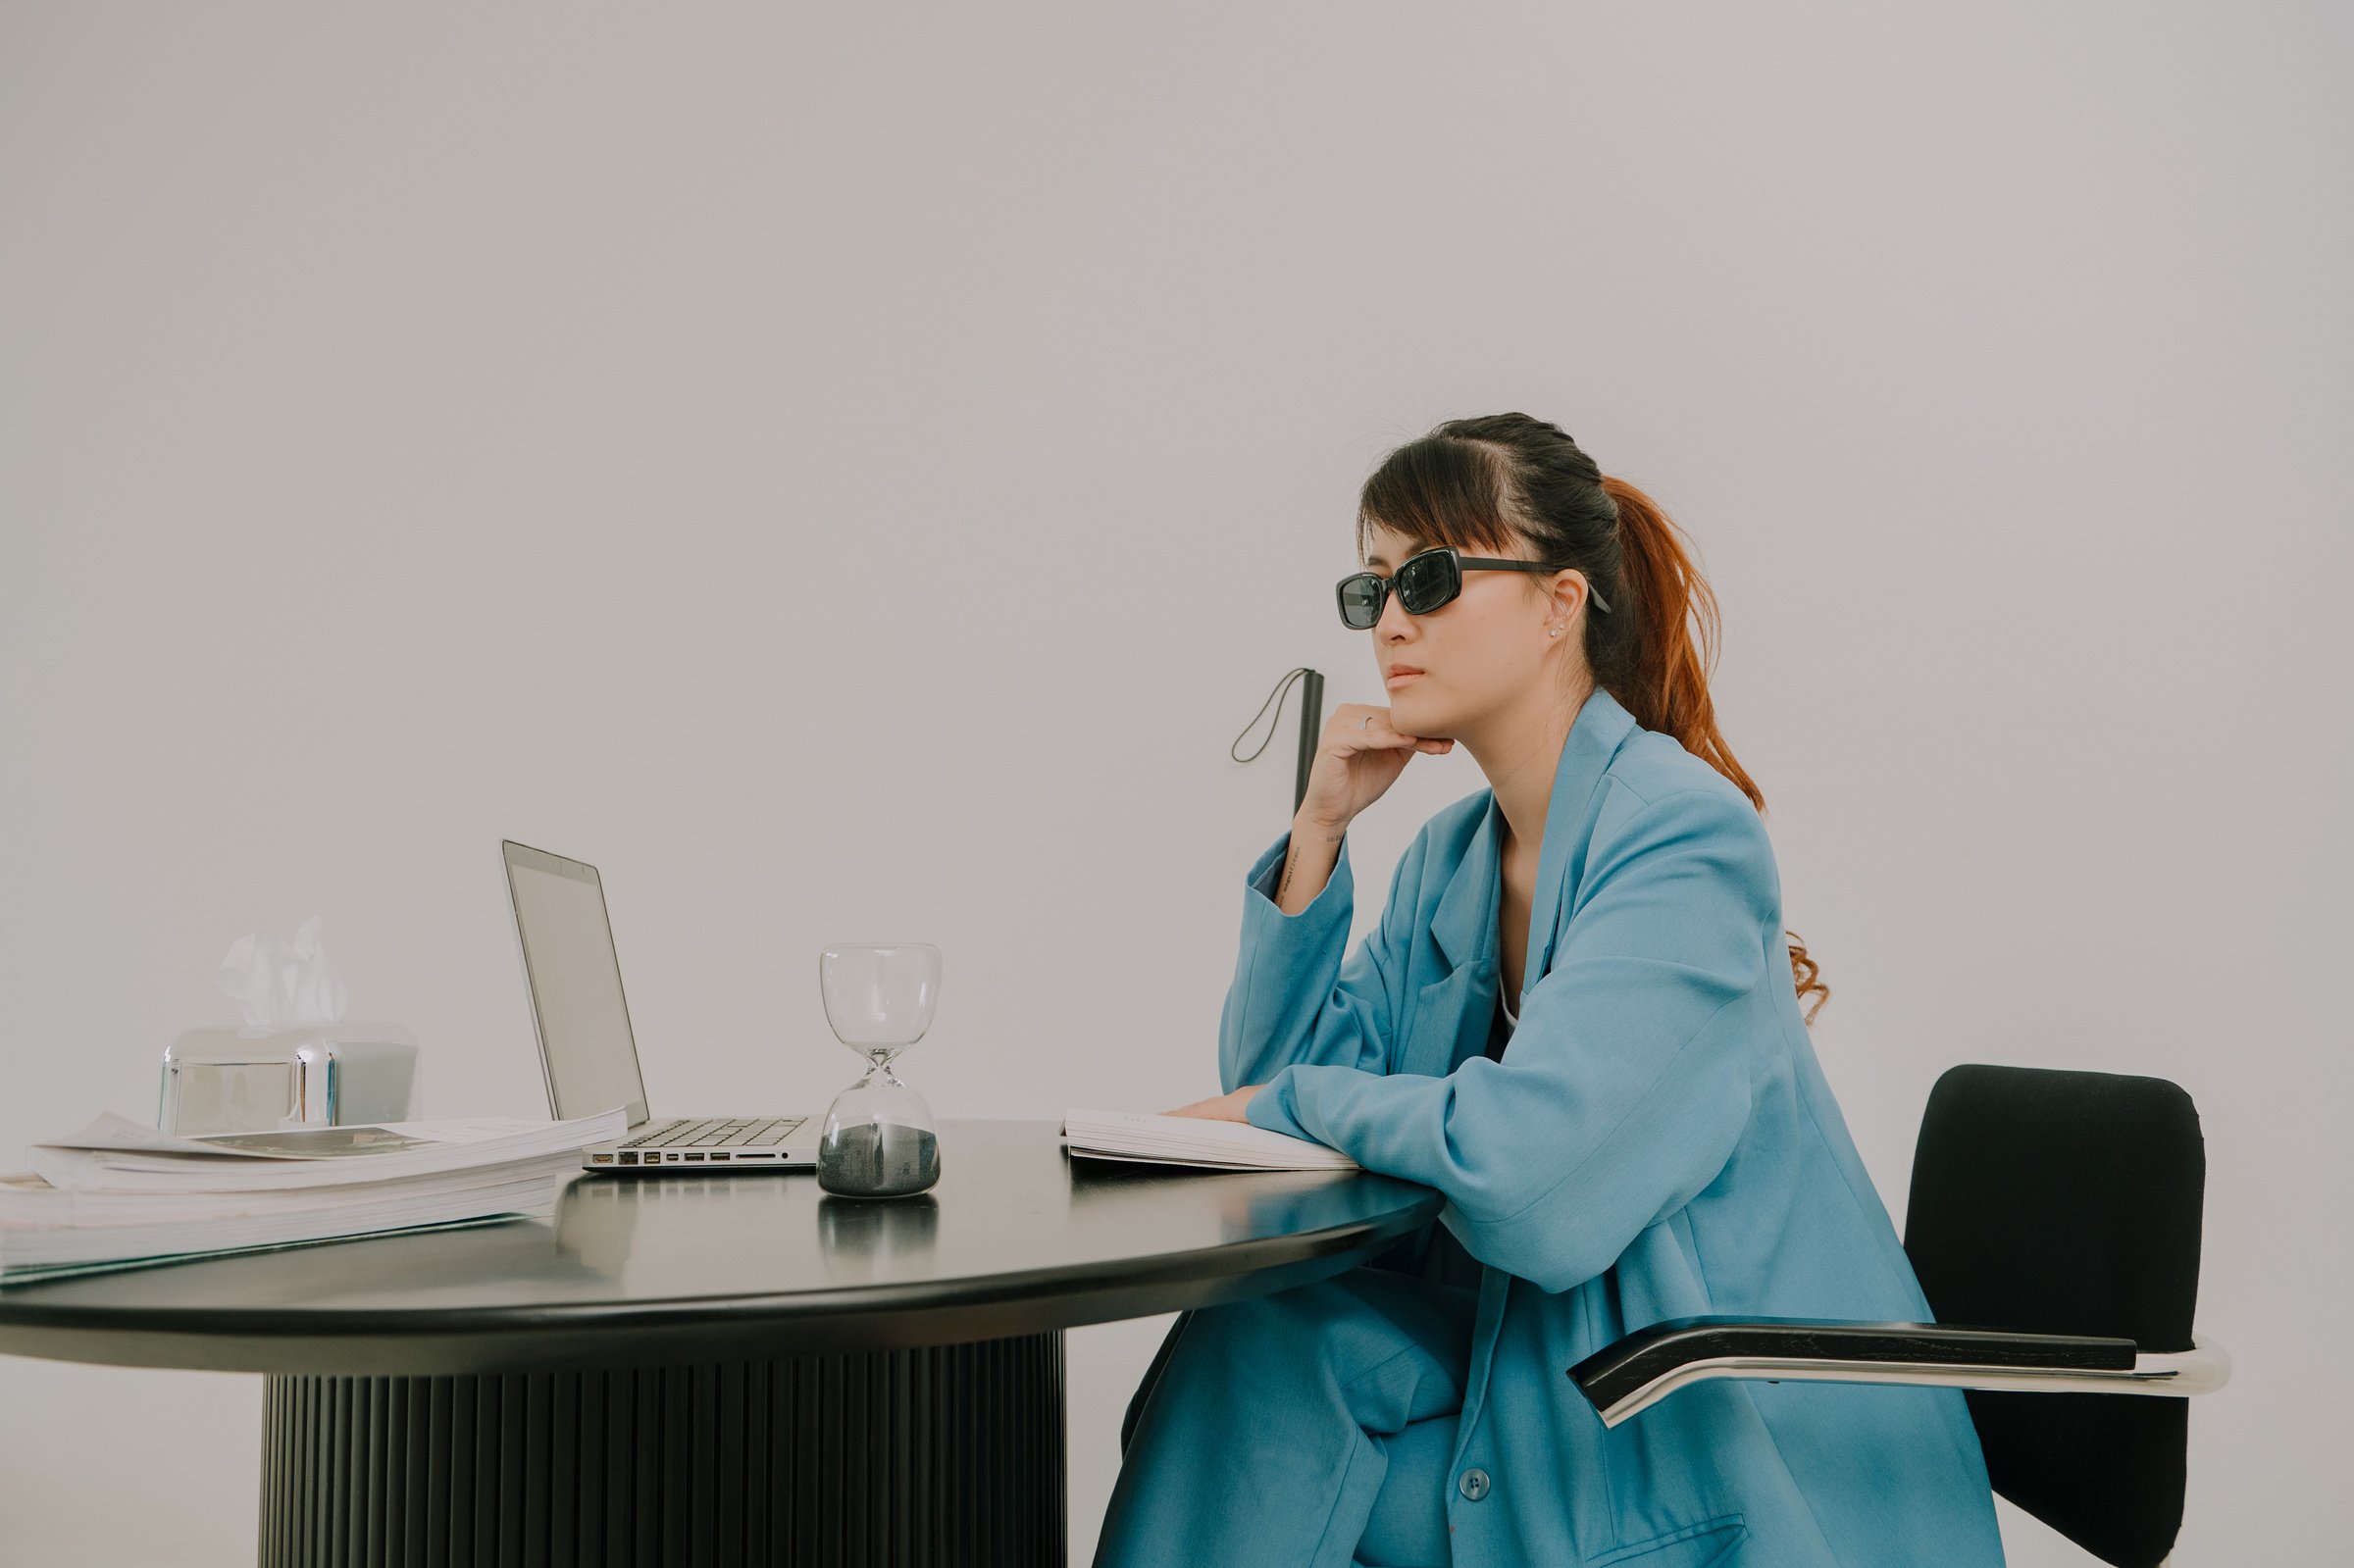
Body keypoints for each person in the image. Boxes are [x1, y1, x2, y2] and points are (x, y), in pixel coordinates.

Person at [1092, 414, 2006, 1567]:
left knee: (1269, 1401)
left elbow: (1538, 1192)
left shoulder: (1683, 840)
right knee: (1264, 1344)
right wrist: (1318, 831)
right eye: (1373, 590)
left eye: (1429, 576)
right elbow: (1277, 1090)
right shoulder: (1452, 862)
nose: (1395, 622)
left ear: (1560, 603)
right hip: (1542, 1389)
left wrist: (1283, 1111)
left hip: (1713, 1436)